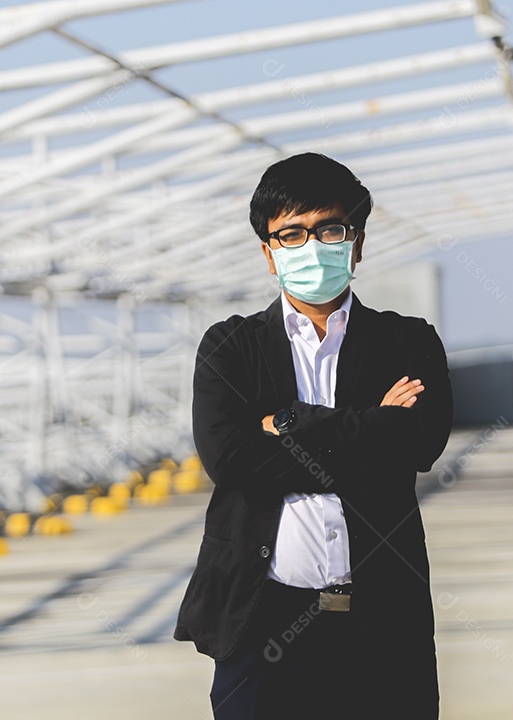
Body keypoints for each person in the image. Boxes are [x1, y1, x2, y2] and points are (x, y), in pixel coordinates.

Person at [173, 152, 453, 719]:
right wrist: (373, 426)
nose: (311, 245)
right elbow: (230, 459)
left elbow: (420, 443)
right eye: (291, 234)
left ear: (357, 240)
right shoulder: (231, 348)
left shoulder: (407, 342)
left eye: (329, 228)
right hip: (263, 622)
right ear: (268, 252)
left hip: (382, 624)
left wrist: (288, 423)